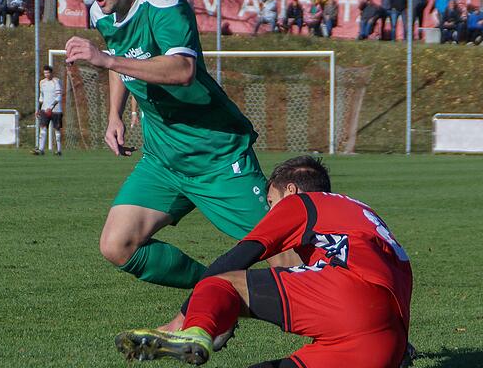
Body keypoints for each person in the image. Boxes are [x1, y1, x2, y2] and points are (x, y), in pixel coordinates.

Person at [64, 0, 296, 306]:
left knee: (286, 253)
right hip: (164, 160)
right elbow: (118, 56)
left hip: (216, 158)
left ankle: (374, 330)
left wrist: (106, 60)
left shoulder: (162, 2)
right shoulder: (102, 13)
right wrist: (114, 115)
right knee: (116, 244)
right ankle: (214, 287)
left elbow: (183, 69)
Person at [116, 156, 413, 368]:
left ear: (292, 191)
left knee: (220, 282)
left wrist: (184, 318)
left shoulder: (302, 203)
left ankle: (197, 331)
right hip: (385, 343)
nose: (270, 211)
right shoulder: (366, 218)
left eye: (271, 203)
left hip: (346, 296)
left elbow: (238, 257)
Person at [32, 65, 64, 156]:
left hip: (56, 110)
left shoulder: (56, 81)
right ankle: (41, 149)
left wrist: (52, 107)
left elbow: (58, 96)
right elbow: (41, 97)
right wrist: (38, 109)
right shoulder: (42, 82)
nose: (46, 75)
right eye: (45, 73)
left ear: (51, 73)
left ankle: (59, 150)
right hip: (44, 110)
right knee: (43, 128)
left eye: (48, 73)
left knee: (57, 130)